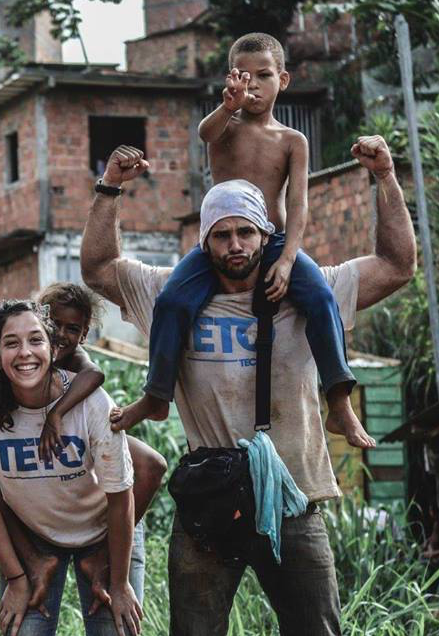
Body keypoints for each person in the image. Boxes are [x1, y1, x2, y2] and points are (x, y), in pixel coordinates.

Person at [81, 138, 416, 635]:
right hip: (210, 498)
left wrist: (386, 177)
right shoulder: (170, 292)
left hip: (292, 497)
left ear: (266, 236)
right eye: (221, 236)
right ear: (205, 242)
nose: (235, 245)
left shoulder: (308, 287)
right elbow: (98, 269)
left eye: (245, 233)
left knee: (317, 629)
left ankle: (338, 403)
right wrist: (109, 187)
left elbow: (396, 266)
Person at [120, 32, 375, 450]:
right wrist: (227, 106)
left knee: (320, 298)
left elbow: (298, 204)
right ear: (231, 79)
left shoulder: (293, 140)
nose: (253, 84)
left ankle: (339, 400)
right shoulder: (225, 127)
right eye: (244, 75)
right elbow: (205, 132)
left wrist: (289, 259)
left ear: (284, 80)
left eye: (264, 75)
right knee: (171, 302)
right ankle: (155, 396)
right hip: (219, 245)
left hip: (271, 242)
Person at [0, 299, 143, 636]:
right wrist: (15, 577)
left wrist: (119, 583)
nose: (25, 352)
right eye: (11, 343)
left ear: (54, 349)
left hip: (105, 531)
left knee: (117, 629)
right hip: (34, 535)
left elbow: (120, 496)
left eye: (36, 340)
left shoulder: (92, 403)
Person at [0, 282, 167, 522]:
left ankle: (115, 535)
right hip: (30, 439)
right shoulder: (25, 349)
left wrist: (56, 414)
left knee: (149, 463)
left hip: (80, 430)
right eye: (55, 324)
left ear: (84, 334)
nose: (60, 333)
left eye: (72, 328)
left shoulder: (76, 358)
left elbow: (95, 374)